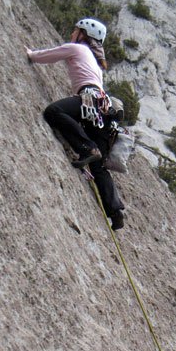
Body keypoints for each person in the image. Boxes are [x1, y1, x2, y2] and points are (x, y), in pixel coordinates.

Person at [27, 18, 125, 230]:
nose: (72, 33)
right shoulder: (97, 66)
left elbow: (49, 55)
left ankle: (86, 147)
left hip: (89, 101)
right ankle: (115, 211)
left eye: (75, 30)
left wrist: (31, 55)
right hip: (103, 110)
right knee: (98, 166)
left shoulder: (77, 49)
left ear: (83, 34)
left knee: (54, 112)